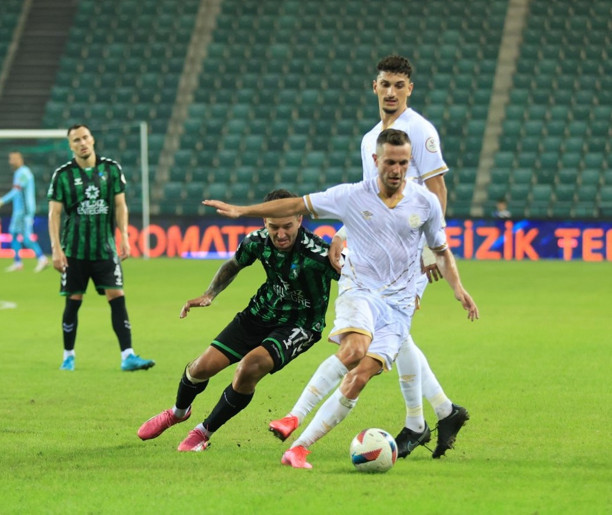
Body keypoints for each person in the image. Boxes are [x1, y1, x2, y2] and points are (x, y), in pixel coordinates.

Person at [204, 129, 479, 469]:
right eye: (390, 162)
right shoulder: (351, 195)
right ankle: (293, 416)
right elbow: (294, 204)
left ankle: (300, 448)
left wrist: (458, 288)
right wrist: (241, 210)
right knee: (353, 350)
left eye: (404, 163)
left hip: (399, 305)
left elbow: (441, 250)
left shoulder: (425, 203)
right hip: (360, 289)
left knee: (360, 376)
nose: (396, 169)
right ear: (376, 161)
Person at [269, 55, 469, 460]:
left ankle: (423, 419)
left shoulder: (420, 131)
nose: (391, 92)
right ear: (374, 87)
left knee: (394, 333)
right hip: (374, 253)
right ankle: (438, 414)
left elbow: (437, 191)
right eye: (385, 84)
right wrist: (342, 234)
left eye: (399, 84)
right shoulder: (369, 139)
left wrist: (432, 249)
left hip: (410, 254)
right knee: (396, 334)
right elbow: (367, 200)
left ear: (409, 89)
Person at [137, 189, 341, 451]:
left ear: (300, 220)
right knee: (200, 368)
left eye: (287, 226)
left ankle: (203, 431)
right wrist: (209, 294)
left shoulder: (320, 255)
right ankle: (178, 412)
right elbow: (234, 264)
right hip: (259, 313)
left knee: (248, 368)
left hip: (300, 325)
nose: (280, 234)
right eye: (273, 227)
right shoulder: (256, 241)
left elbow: (357, 279)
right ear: (264, 222)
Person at [47, 124, 154, 372]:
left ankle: (127, 356)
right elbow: (54, 214)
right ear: (70, 145)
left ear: (92, 140)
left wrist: (124, 237)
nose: (82, 143)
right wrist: (56, 249)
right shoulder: (62, 175)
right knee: (73, 301)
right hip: (74, 251)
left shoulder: (111, 169)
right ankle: (68, 356)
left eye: (85, 137)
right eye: (76, 140)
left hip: (105, 249)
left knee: (117, 297)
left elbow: (120, 206)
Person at [0, 151, 49, 272]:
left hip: (25, 210)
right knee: (14, 234)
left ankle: (42, 259)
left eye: (14, 159)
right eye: (10, 159)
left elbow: (16, 191)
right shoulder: (18, 173)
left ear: (20, 159)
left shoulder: (24, 173)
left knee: (26, 237)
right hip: (18, 210)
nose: (11, 161)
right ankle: (18, 262)